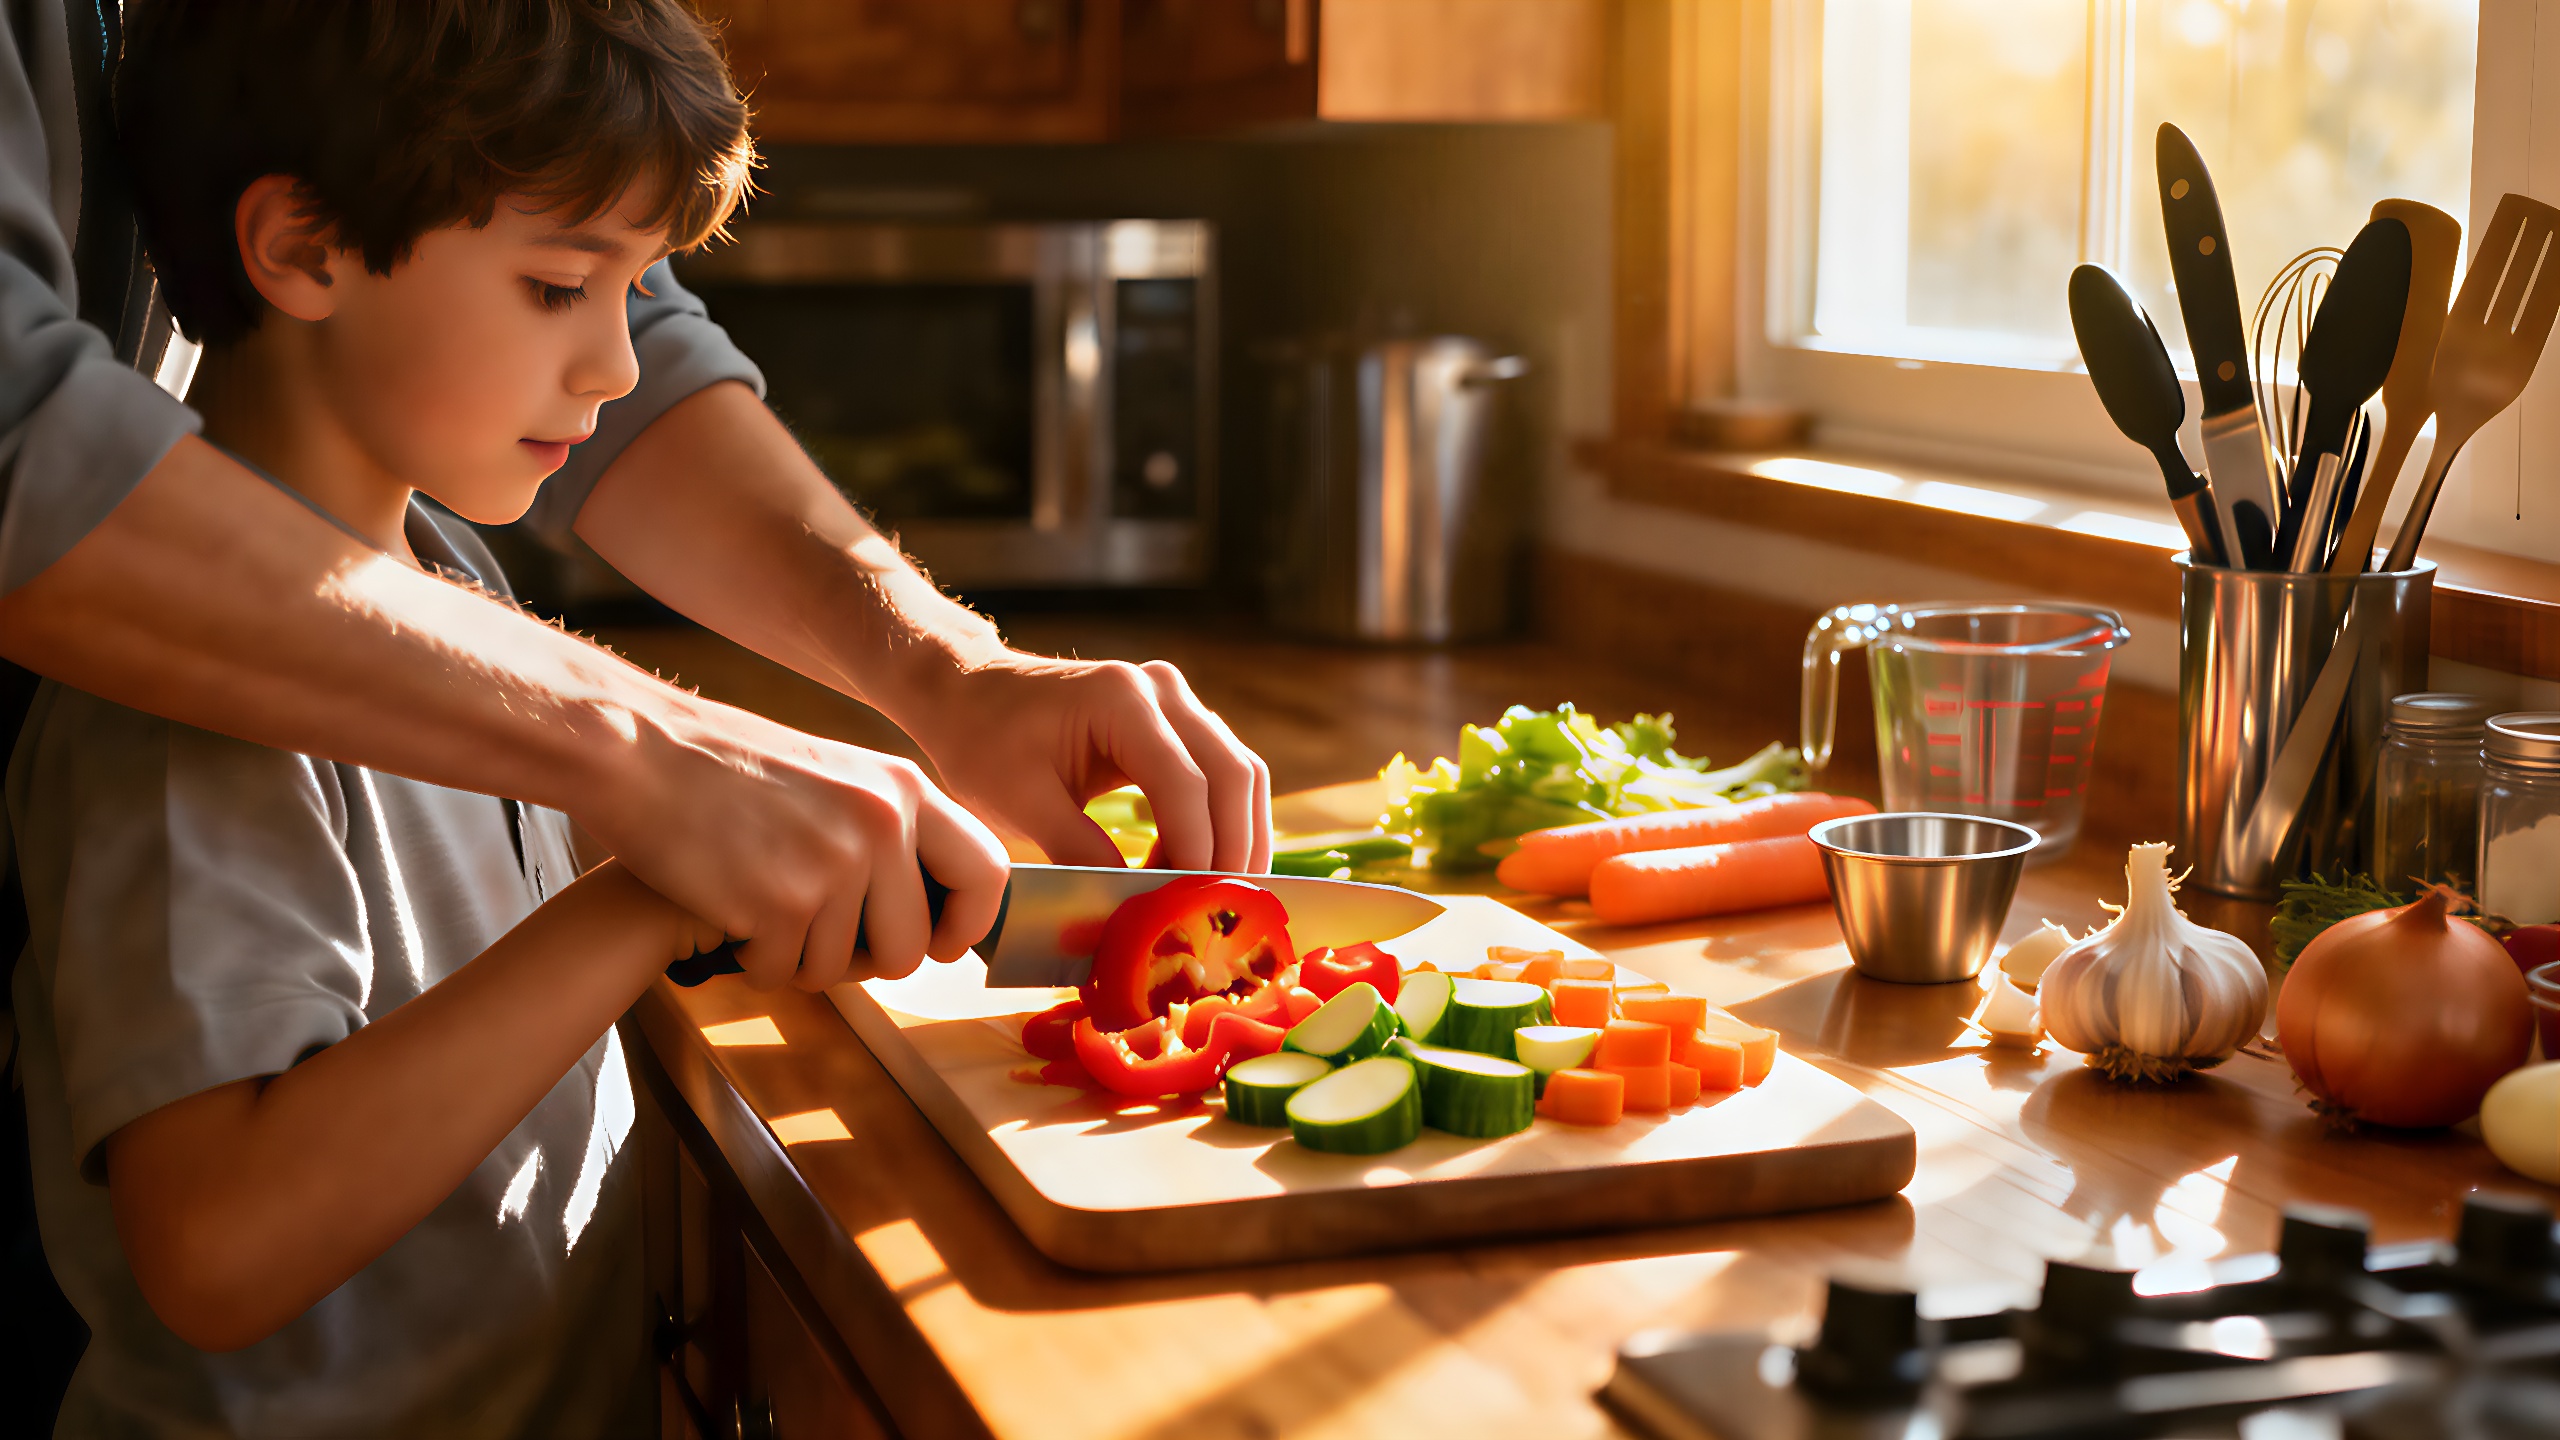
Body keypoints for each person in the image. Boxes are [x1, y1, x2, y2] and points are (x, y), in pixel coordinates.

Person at [17, 2, 958, 1432]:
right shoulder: (187, 702)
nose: (619, 367)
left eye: (632, 290)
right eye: (558, 289)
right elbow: (215, 1249)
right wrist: (638, 900)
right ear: (305, 248)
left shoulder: (444, 574)